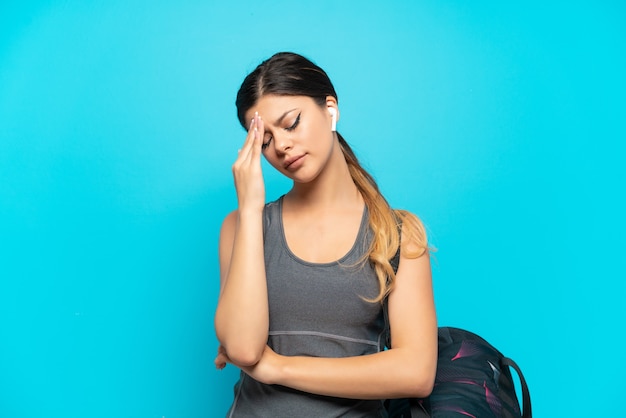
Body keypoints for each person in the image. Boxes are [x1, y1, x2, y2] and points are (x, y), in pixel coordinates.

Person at [214, 52, 437, 417]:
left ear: (330, 109)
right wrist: (251, 209)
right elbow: (242, 348)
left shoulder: (398, 234)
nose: (281, 145)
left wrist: (278, 368)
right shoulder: (241, 225)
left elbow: (416, 372)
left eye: (291, 123)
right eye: (265, 140)